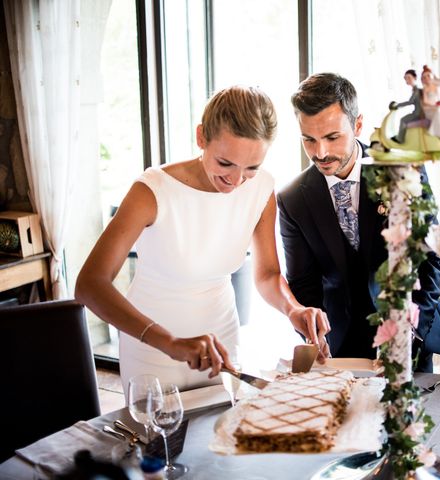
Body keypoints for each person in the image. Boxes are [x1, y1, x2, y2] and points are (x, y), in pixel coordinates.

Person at [76, 86, 330, 392]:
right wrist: (169, 342)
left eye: (251, 167)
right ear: (201, 137)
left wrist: (293, 309)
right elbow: (90, 284)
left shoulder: (262, 188)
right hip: (153, 349)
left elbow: (267, 275)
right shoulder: (153, 190)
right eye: (225, 163)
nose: (236, 181)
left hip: (222, 347)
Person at [277, 73, 440, 371]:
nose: (320, 153)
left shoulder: (402, 168)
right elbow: (303, 285)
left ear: (357, 124)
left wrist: (410, 332)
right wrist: (313, 334)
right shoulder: (292, 199)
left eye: (332, 137)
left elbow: (431, 256)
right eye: (309, 140)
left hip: (411, 338)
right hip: (339, 348)